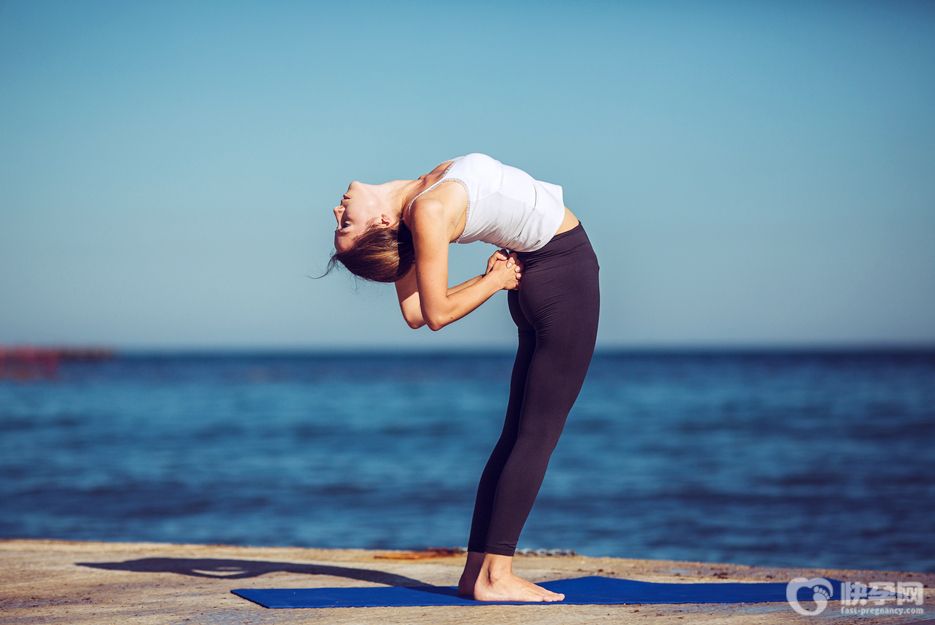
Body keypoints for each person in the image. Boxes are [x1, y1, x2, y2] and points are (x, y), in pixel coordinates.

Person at [323, 152, 600, 602]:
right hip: (564, 271)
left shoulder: (419, 204)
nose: (337, 212)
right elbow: (433, 313)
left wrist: (500, 278)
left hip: (542, 272)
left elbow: (412, 313)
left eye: (340, 224)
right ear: (378, 224)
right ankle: (495, 576)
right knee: (535, 437)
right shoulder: (427, 212)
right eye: (344, 226)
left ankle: (478, 573)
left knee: (520, 435)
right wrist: (493, 281)